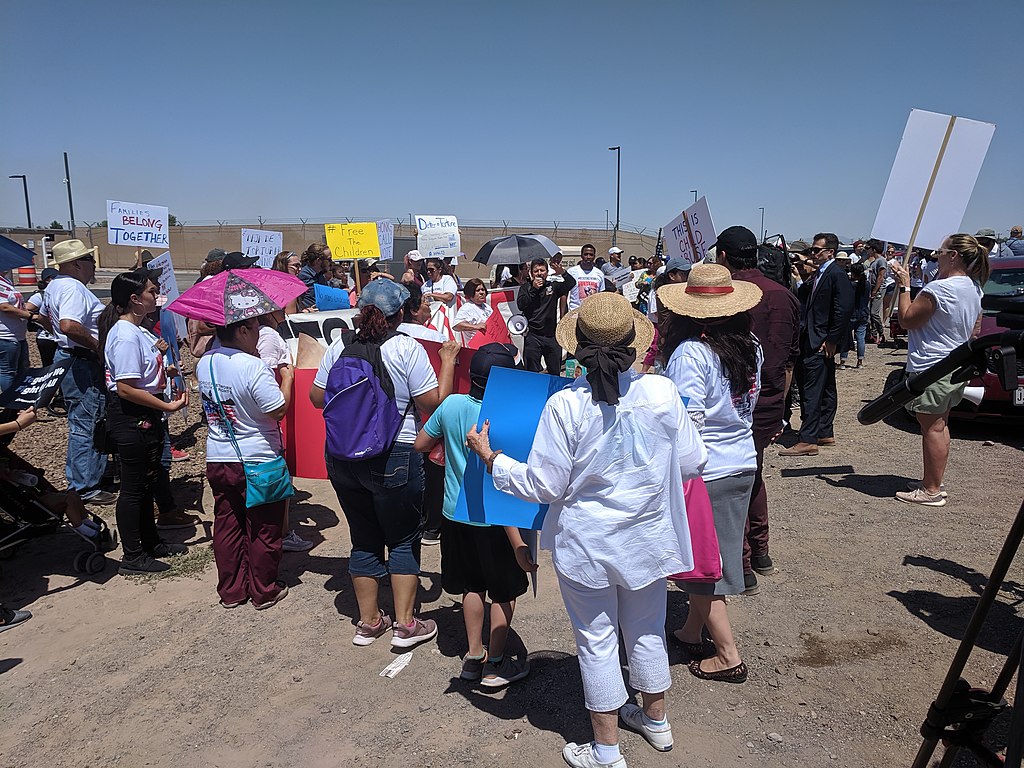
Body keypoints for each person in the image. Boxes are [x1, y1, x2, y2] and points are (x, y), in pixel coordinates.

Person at [466, 292, 707, 768]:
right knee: (646, 629)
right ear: (632, 346)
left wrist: (492, 458)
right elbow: (693, 460)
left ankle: (606, 750)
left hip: (588, 544)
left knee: (596, 640)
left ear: (577, 346)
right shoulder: (660, 393)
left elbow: (543, 484)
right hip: (647, 537)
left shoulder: (566, 406)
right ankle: (655, 721)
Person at [310, 279, 458, 647]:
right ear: (401, 314)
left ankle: (369, 622)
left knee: (363, 536)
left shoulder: (340, 344)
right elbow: (431, 403)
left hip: (342, 456)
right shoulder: (405, 348)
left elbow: (316, 397)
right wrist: (449, 361)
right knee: (404, 538)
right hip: (395, 453)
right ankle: (406, 625)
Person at [659, 264, 761, 685]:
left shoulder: (691, 353)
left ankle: (727, 654)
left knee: (705, 565)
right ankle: (690, 630)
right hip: (741, 459)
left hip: (707, 469)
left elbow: (688, 421)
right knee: (715, 554)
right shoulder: (749, 344)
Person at [413, 343, 531, 688]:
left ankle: (473, 655)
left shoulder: (451, 405)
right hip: (497, 518)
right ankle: (495, 664)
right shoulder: (510, 414)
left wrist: (449, 448)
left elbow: (420, 444)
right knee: (504, 592)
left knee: (472, 586)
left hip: (455, 513)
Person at [715, 227, 800, 592]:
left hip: (731, 401)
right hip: (767, 400)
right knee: (752, 471)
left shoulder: (727, 295)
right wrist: (779, 407)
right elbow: (792, 358)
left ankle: (744, 563)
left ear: (723, 256)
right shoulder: (784, 295)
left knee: (732, 479)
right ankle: (760, 551)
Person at [199, 315, 294, 609]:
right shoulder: (253, 367)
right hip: (258, 457)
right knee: (265, 526)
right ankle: (264, 589)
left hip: (219, 455)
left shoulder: (205, 361)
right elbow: (276, 409)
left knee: (227, 524)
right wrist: (287, 379)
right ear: (241, 330)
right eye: (255, 328)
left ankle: (232, 589)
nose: (258, 334)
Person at [98, 271, 190, 574]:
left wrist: (169, 372)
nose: (157, 296)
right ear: (135, 300)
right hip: (130, 415)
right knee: (134, 488)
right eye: (152, 291)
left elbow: (146, 369)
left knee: (148, 480)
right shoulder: (124, 334)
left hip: (144, 413)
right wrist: (166, 405)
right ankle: (133, 555)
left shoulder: (140, 330)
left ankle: (151, 542)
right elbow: (126, 387)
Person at [892, 234, 988, 507]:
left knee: (932, 427)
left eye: (940, 251)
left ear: (954, 255)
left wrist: (904, 287)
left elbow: (907, 320)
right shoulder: (973, 287)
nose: (937, 255)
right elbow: (975, 328)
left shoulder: (940, 289)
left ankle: (931, 489)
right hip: (953, 364)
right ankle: (933, 481)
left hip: (932, 366)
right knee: (940, 425)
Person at [44, 239, 113, 504]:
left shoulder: (55, 286)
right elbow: (69, 325)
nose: (93, 265)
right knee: (87, 420)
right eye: (89, 260)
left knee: (83, 418)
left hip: (71, 357)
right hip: (82, 361)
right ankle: (85, 486)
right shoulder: (73, 288)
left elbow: (41, 316)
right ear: (75, 264)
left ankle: (84, 478)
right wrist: (97, 346)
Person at [779, 232, 854, 457]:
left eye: (816, 250)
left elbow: (844, 309)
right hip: (815, 337)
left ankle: (808, 438)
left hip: (820, 341)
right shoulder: (822, 273)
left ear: (829, 252)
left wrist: (832, 340)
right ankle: (823, 431)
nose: (813, 254)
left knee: (811, 389)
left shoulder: (836, 274)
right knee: (826, 386)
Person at [516, 257, 575, 375]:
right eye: (536, 271)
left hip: (551, 336)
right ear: (531, 273)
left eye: (542, 270)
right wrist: (533, 289)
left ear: (547, 272)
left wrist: (562, 272)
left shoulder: (553, 286)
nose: (539, 274)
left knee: (554, 370)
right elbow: (521, 305)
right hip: (532, 336)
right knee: (531, 372)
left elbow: (571, 283)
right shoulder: (526, 288)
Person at [839, 261, 870, 370]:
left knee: (846, 337)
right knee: (861, 337)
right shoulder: (866, 284)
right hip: (863, 312)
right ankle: (860, 361)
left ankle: (843, 361)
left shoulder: (850, 285)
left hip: (850, 314)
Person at [566, 244, 608, 311]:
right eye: (586, 254)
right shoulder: (572, 272)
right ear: (581, 255)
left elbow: (601, 296)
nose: (588, 257)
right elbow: (565, 294)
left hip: (592, 312)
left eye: (591, 255)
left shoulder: (599, 274)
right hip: (575, 311)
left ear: (594, 256)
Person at [452, 278, 492, 344]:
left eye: (483, 289)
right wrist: (475, 327)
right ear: (471, 293)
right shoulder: (467, 307)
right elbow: (456, 325)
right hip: (477, 347)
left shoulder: (487, 307)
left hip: (490, 344)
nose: (481, 292)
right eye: (478, 290)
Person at [297, 243, 330, 310]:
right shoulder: (305, 275)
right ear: (318, 261)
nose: (331, 262)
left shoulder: (320, 274)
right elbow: (312, 298)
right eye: (329, 259)